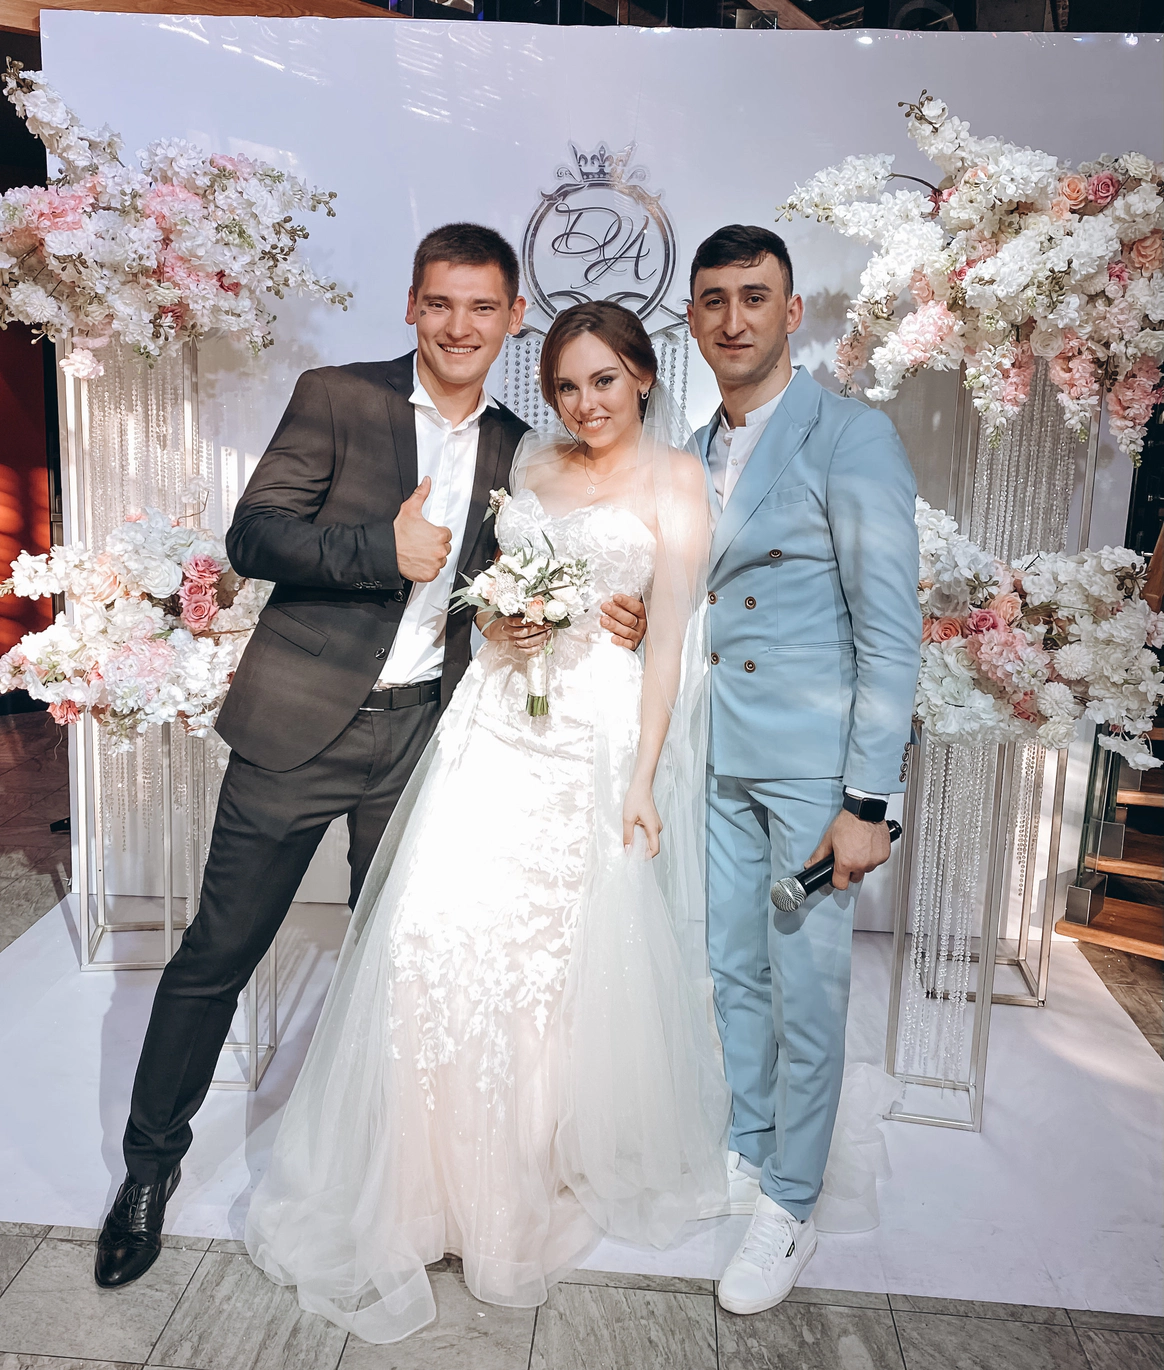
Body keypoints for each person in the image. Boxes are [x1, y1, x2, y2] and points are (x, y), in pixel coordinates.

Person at [94, 225, 649, 1290]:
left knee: (401, 967)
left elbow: (530, 579)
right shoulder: (339, 396)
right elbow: (254, 534)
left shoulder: (520, 448)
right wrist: (376, 552)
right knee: (218, 953)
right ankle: (148, 1173)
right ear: (410, 306)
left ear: (513, 317)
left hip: (425, 739)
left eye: (481, 307)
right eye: (440, 303)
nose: (459, 326)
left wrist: (609, 615)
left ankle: (385, 1184)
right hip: (298, 724)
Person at [243, 300, 730, 1344]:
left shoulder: (678, 479)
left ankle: (507, 1183)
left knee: (545, 959)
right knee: (430, 934)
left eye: (604, 380)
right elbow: (477, 585)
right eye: (567, 385)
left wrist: (643, 778)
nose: (585, 403)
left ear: (644, 376)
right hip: (493, 719)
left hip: (592, 737)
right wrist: (499, 616)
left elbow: (670, 644)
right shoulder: (534, 462)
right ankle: (421, 1182)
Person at [687, 225, 921, 1315]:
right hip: (716, 753)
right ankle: (750, 1142)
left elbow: (890, 629)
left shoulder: (850, 435)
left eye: (755, 296)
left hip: (813, 772)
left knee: (809, 988)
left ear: (790, 313)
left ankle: (792, 1200)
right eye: (715, 299)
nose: (734, 318)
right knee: (733, 966)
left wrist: (869, 800)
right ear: (694, 318)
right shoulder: (692, 447)